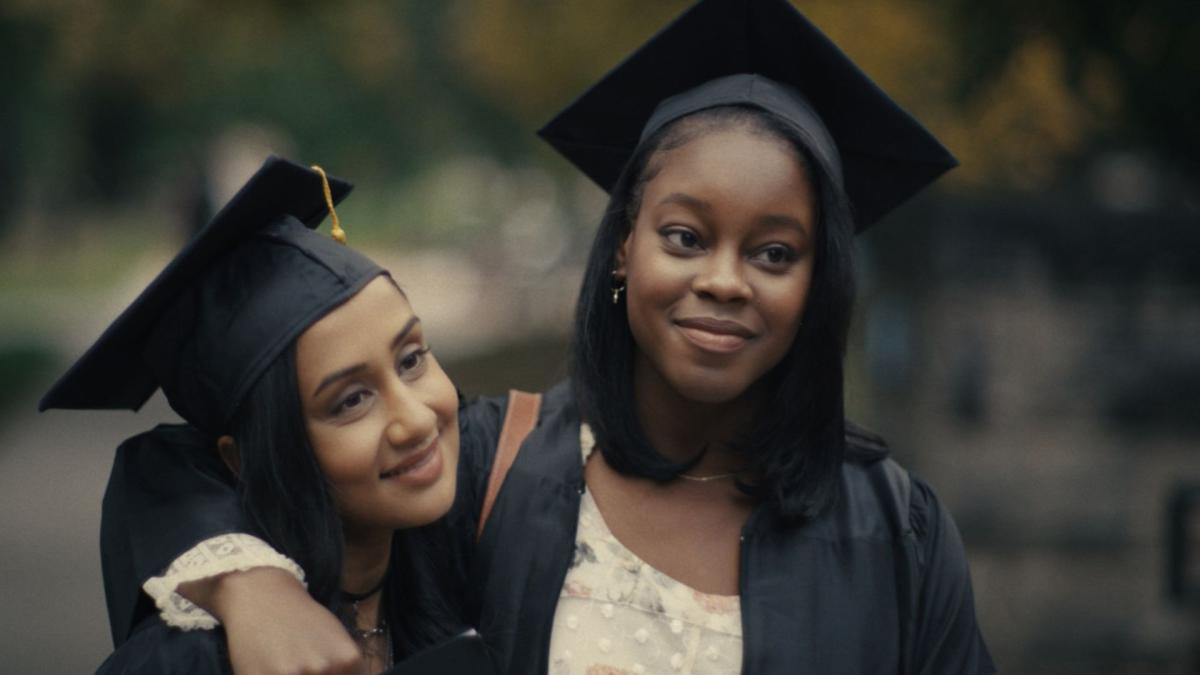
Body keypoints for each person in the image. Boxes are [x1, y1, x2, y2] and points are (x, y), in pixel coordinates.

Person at [95, 1, 997, 673]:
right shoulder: (488, 469)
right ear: (622, 250)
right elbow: (201, 462)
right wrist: (252, 583)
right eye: (684, 236)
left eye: (774, 252)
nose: (723, 278)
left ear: (817, 286)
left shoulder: (898, 530)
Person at [40, 157, 492, 674]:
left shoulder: (480, 559)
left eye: (411, 359)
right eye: (350, 401)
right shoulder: (187, 661)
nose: (414, 419)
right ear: (241, 459)